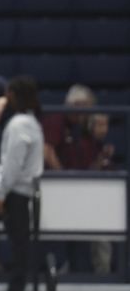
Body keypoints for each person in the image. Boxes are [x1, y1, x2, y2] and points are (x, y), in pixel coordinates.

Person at [0, 75, 44, 291]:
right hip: (15, 190)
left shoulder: (20, 125)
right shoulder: (27, 122)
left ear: (14, 96)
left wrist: (1, 193)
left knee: (19, 243)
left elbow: (13, 163)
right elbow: (7, 162)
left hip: (17, 191)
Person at [42, 84, 115, 274]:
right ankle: (60, 269)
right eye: (85, 106)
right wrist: (63, 178)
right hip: (58, 189)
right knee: (60, 233)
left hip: (86, 189)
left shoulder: (85, 128)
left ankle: (102, 274)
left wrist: (101, 158)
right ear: (74, 104)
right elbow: (47, 150)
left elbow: (92, 164)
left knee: (99, 232)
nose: (88, 111)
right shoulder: (57, 120)